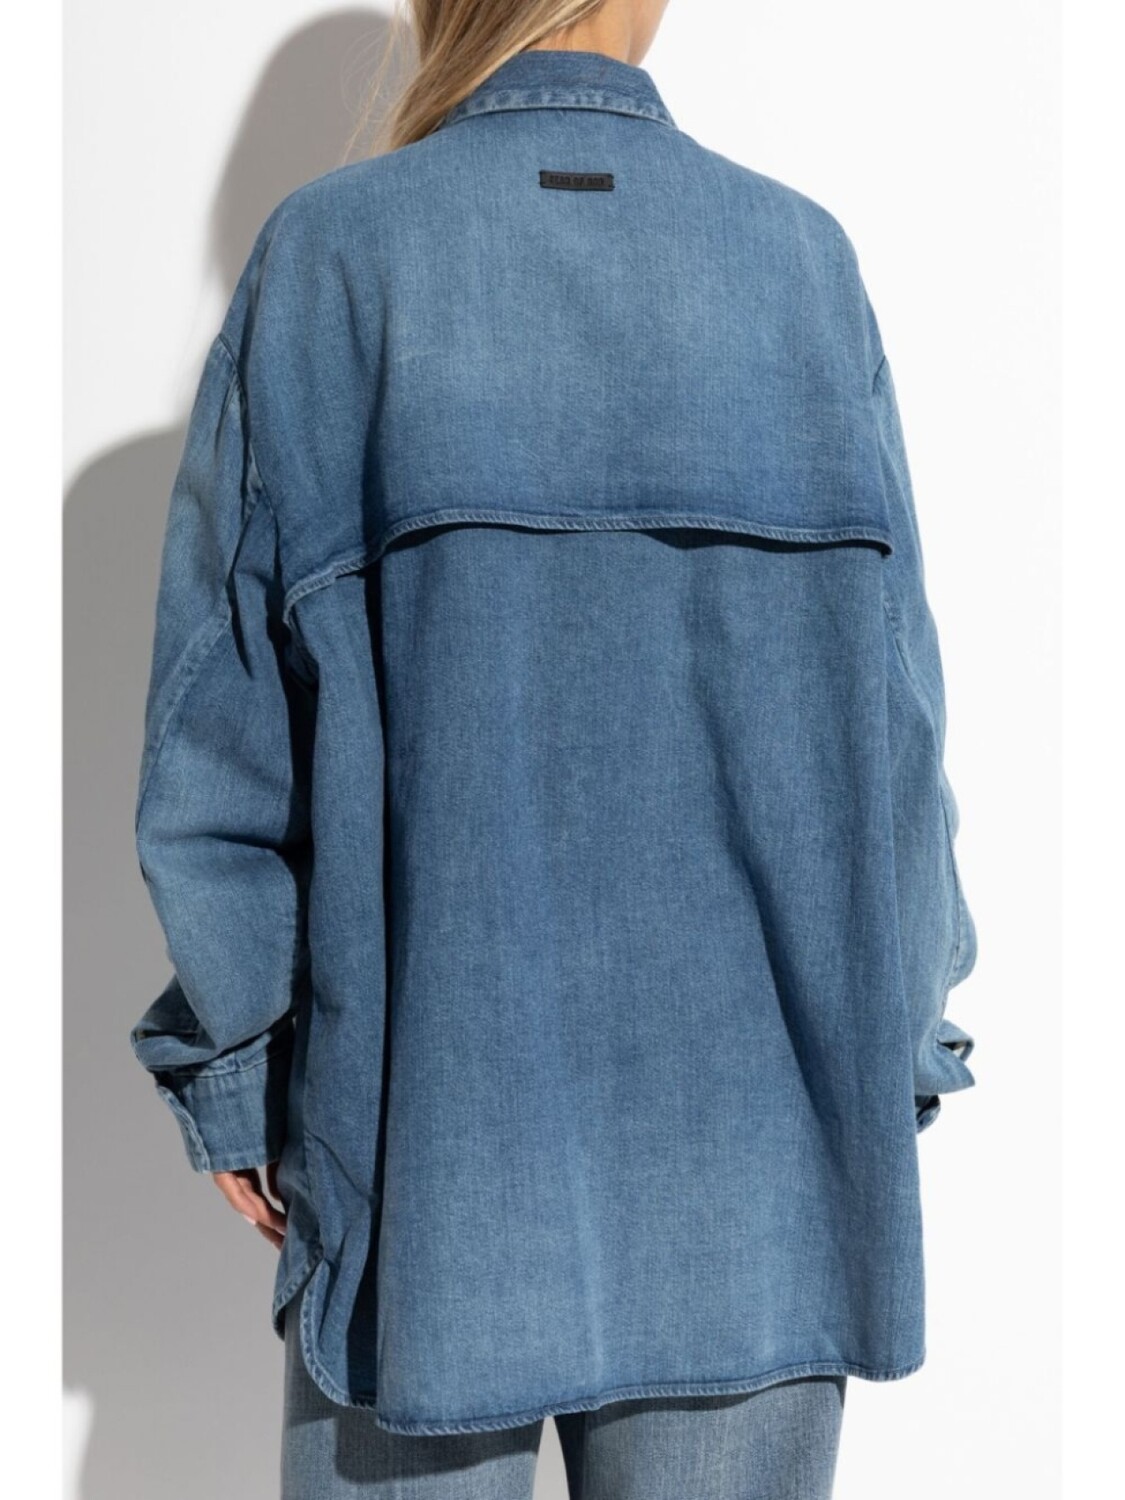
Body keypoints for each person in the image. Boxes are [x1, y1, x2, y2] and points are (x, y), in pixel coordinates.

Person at [127, 0, 980, 1495]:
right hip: (757, 1149)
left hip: (423, 1145)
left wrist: (239, 1069)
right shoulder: (800, 264)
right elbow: (895, 711)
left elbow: (223, 716)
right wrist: (899, 1038)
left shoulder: (334, 259)